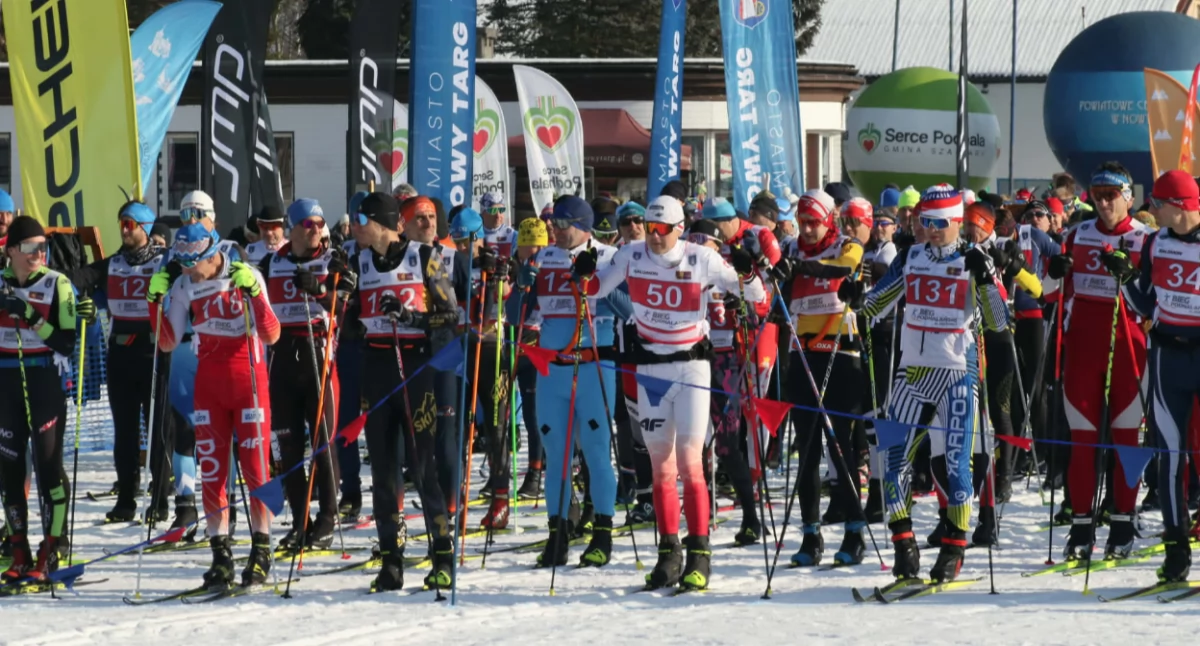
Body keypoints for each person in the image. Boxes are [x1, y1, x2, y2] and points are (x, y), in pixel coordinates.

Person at [578, 195, 768, 591]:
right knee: (661, 465)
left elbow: (757, 297)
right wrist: (580, 274)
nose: (654, 236)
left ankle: (699, 553)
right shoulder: (631, 255)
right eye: (650, 228)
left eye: (662, 229)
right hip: (650, 368)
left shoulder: (701, 258)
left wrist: (748, 274)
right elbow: (594, 290)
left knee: (689, 461)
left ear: (680, 228)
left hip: (691, 367)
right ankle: (668, 554)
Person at [860, 184, 1009, 583]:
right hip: (911, 373)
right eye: (925, 221)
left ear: (957, 222)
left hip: (957, 374)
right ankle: (903, 544)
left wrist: (988, 278)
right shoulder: (910, 256)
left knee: (958, 467)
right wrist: (853, 296)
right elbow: (875, 304)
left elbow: (997, 322)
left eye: (939, 223)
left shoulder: (972, 258)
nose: (931, 230)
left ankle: (954, 545)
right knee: (893, 464)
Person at [149, 220, 280, 589]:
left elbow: (272, 333)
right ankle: (220, 554)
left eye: (194, 265)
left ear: (211, 256)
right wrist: (154, 303)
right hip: (209, 383)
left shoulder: (244, 273)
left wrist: (254, 292)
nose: (189, 273)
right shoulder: (183, 284)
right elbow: (167, 343)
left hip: (248, 381)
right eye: (183, 265)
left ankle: (261, 549)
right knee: (213, 472)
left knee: (256, 470)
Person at [344, 192, 462, 592]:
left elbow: (452, 316)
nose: (354, 226)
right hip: (376, 367)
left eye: (360, 219)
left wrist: (410, 316)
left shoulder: (424, 257)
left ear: (381, 222)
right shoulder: (357, 261)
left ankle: (443, 556)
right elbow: (349, 319)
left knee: (423, 467)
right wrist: (334, 300)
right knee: (382, 472)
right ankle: (391, 560)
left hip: (413, 366)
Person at [1046, 162, 1149, 562]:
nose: (1104, 203)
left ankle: (1122, 523)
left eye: (1112, 195)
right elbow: (1052, 291)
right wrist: (1055, 270)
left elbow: (1157, 296)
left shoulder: (1146, 239)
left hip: (1129, 349)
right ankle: (1082, 526)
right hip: (1085, 350)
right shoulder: (1076, 235)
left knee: (1126, 439)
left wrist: (1132, 277)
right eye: (1098, 195)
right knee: (1082, 442)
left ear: (1128, 197)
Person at [522, 196, 629, 567]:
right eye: (554, 223)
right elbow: (525, 309)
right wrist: (521, 283)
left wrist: (591, 280)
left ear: (582, 225)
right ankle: (558, 534)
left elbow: (628, 310)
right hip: (552, 369)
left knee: (598, 453)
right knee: (557, 457)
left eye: (564, 224)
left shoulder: (608, 256)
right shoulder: (544, 257)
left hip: (593, 366)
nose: (556, 230)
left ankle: (602, 533)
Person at [62, 201, 177, 525]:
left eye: (130, 224)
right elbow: (72, 279)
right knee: (124, 432)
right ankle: (126, 499)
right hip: (121, 356)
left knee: (158, 431)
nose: (124, 229)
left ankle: (160, 498)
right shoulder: (112, 264)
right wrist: (80, 300)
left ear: (145, 227)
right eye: (121, 223)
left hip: (155, 355)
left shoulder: (165, 262)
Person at [773, 189, 869, 565]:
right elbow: (779, 303)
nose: (808, 229)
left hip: (841, 354)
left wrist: (801, 268)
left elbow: (841, 271)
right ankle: (810, 535)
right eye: (803, 222)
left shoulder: (848, 245)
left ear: (828, 220)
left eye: (815, 222)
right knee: (808, 448)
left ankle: (854, 532)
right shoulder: (791, 250)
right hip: (803, 354)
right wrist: (779, 276)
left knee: (840, 448)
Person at [259, 198, 354, 551]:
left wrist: (320, 290)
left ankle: (327, 518)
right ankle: (301, 521)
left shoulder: (334, 260)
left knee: (322, 444)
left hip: (318, 354)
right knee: (286, 448)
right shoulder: (273, 262)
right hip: (282, 358)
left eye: (319, 223)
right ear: (293, 227)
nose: (315, 230)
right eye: (307, 224)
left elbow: (346, 308)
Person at [1123, 170, 1200, 582]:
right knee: (1171, 457)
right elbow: (1143, 303)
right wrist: (1123, 278)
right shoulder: (1156, 242)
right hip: (1168, 359)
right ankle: (1176, 552)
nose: (1151, 209)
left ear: (1180, 205)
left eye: (1158, 202)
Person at [0, 217, 80, 582]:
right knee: (10, 472)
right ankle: (19, 552)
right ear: (12, 250)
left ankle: (51, 550)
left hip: (43, 380)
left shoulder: (56, 283)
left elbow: (66, 342)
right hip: (5, 381)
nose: (39, 254)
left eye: (43, 247)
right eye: (30, 248)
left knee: (48, 468)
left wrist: (30, 315)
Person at [337, 191, 370, 521]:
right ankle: (350, 492)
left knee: (382, 423)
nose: (358, 226)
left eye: (364, 219)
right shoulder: (343, 252)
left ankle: (394, 494)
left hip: (377, 345)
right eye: (355, 219)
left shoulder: (388, 251)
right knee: (345, 423)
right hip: (347, 343)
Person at [511, 217, 548, 498]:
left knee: (535, 413)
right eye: (529, 247)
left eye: (540, 248)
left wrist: (533, 288)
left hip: (539, 343)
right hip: (513, 341)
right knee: (513, 412)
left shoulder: (548, 268)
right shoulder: (513, 267)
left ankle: (536, 472)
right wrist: (519, 288)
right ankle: (501, 478)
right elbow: (511, 311)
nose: (534, 254)